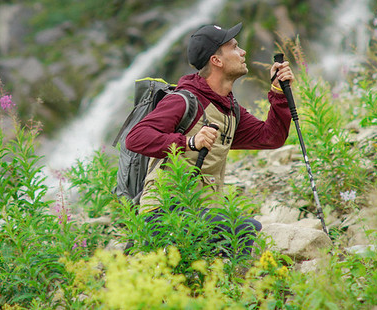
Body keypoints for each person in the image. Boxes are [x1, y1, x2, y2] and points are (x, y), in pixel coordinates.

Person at [125, 22, 293, 256]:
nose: (243, 52)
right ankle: (230, 288)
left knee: (245, 229)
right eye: (234, 47)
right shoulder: (183, 101)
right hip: (163, 214)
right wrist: (189, 143)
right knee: (243, 231)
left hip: (198, 214)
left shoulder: (229, 109)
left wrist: (278, 93)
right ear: (217, 60)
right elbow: (135, 138)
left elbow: (270, 138)